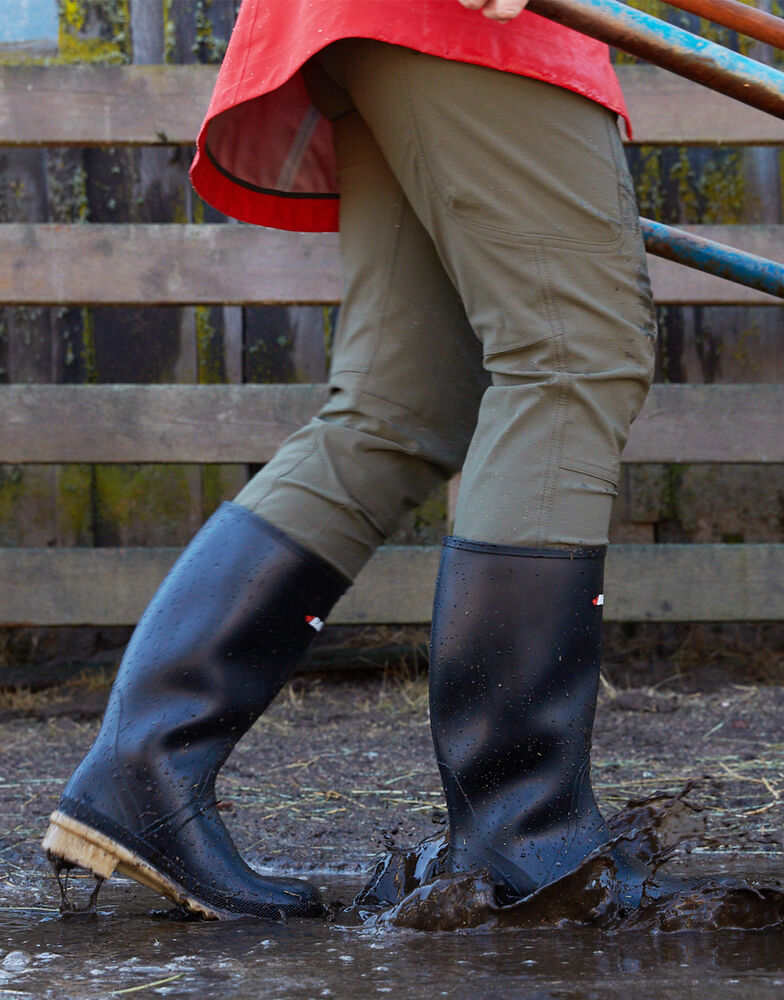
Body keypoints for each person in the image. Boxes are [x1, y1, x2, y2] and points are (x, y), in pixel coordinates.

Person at [42, 0, 656, 919]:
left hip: (370, 22)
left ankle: (145, 773)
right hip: (464, 23)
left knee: (397, 411)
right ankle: (528, 840)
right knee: (575, 360)